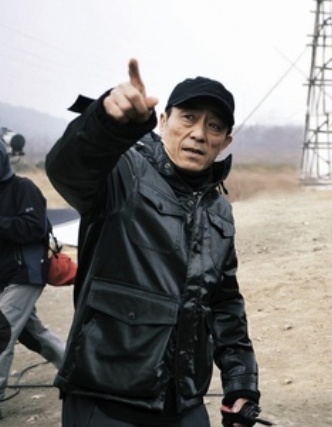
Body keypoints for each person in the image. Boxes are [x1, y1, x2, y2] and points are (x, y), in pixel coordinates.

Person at [46, 59, 262, 427]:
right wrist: (106, 122)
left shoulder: (219, 209)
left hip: (183, 401)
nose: (199, 134)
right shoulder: (124, 172)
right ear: (163, 121)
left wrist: (241, 382)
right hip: (107, 398)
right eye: (188, 118)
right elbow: (68, 169)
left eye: (214, 126)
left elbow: (225, 302)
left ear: (225, 142)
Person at [0, 142, 66, 402]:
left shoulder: (23, 188)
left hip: (25, 273)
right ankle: (78, 373)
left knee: (2, 332)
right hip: (5, 276)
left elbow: (35, 227)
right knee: (33, 334)